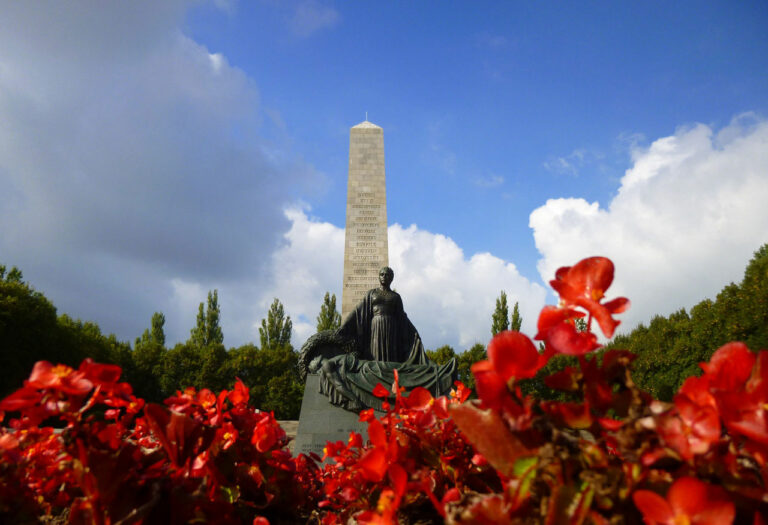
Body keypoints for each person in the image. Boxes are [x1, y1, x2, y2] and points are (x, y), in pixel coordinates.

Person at [300, 266, 457, 412]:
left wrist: (413, 333)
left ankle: (391, 380)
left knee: (390, 358)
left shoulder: (396, 297)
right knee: (376, 359)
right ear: (379, 277)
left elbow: (402, 318)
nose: (384, 277)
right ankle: (380, 380)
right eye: (382, 274)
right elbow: (358, 311)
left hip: (392, 328)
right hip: (376, 326)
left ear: (391, 278)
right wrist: (345, 326)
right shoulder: (372, 294)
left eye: (387, 275)